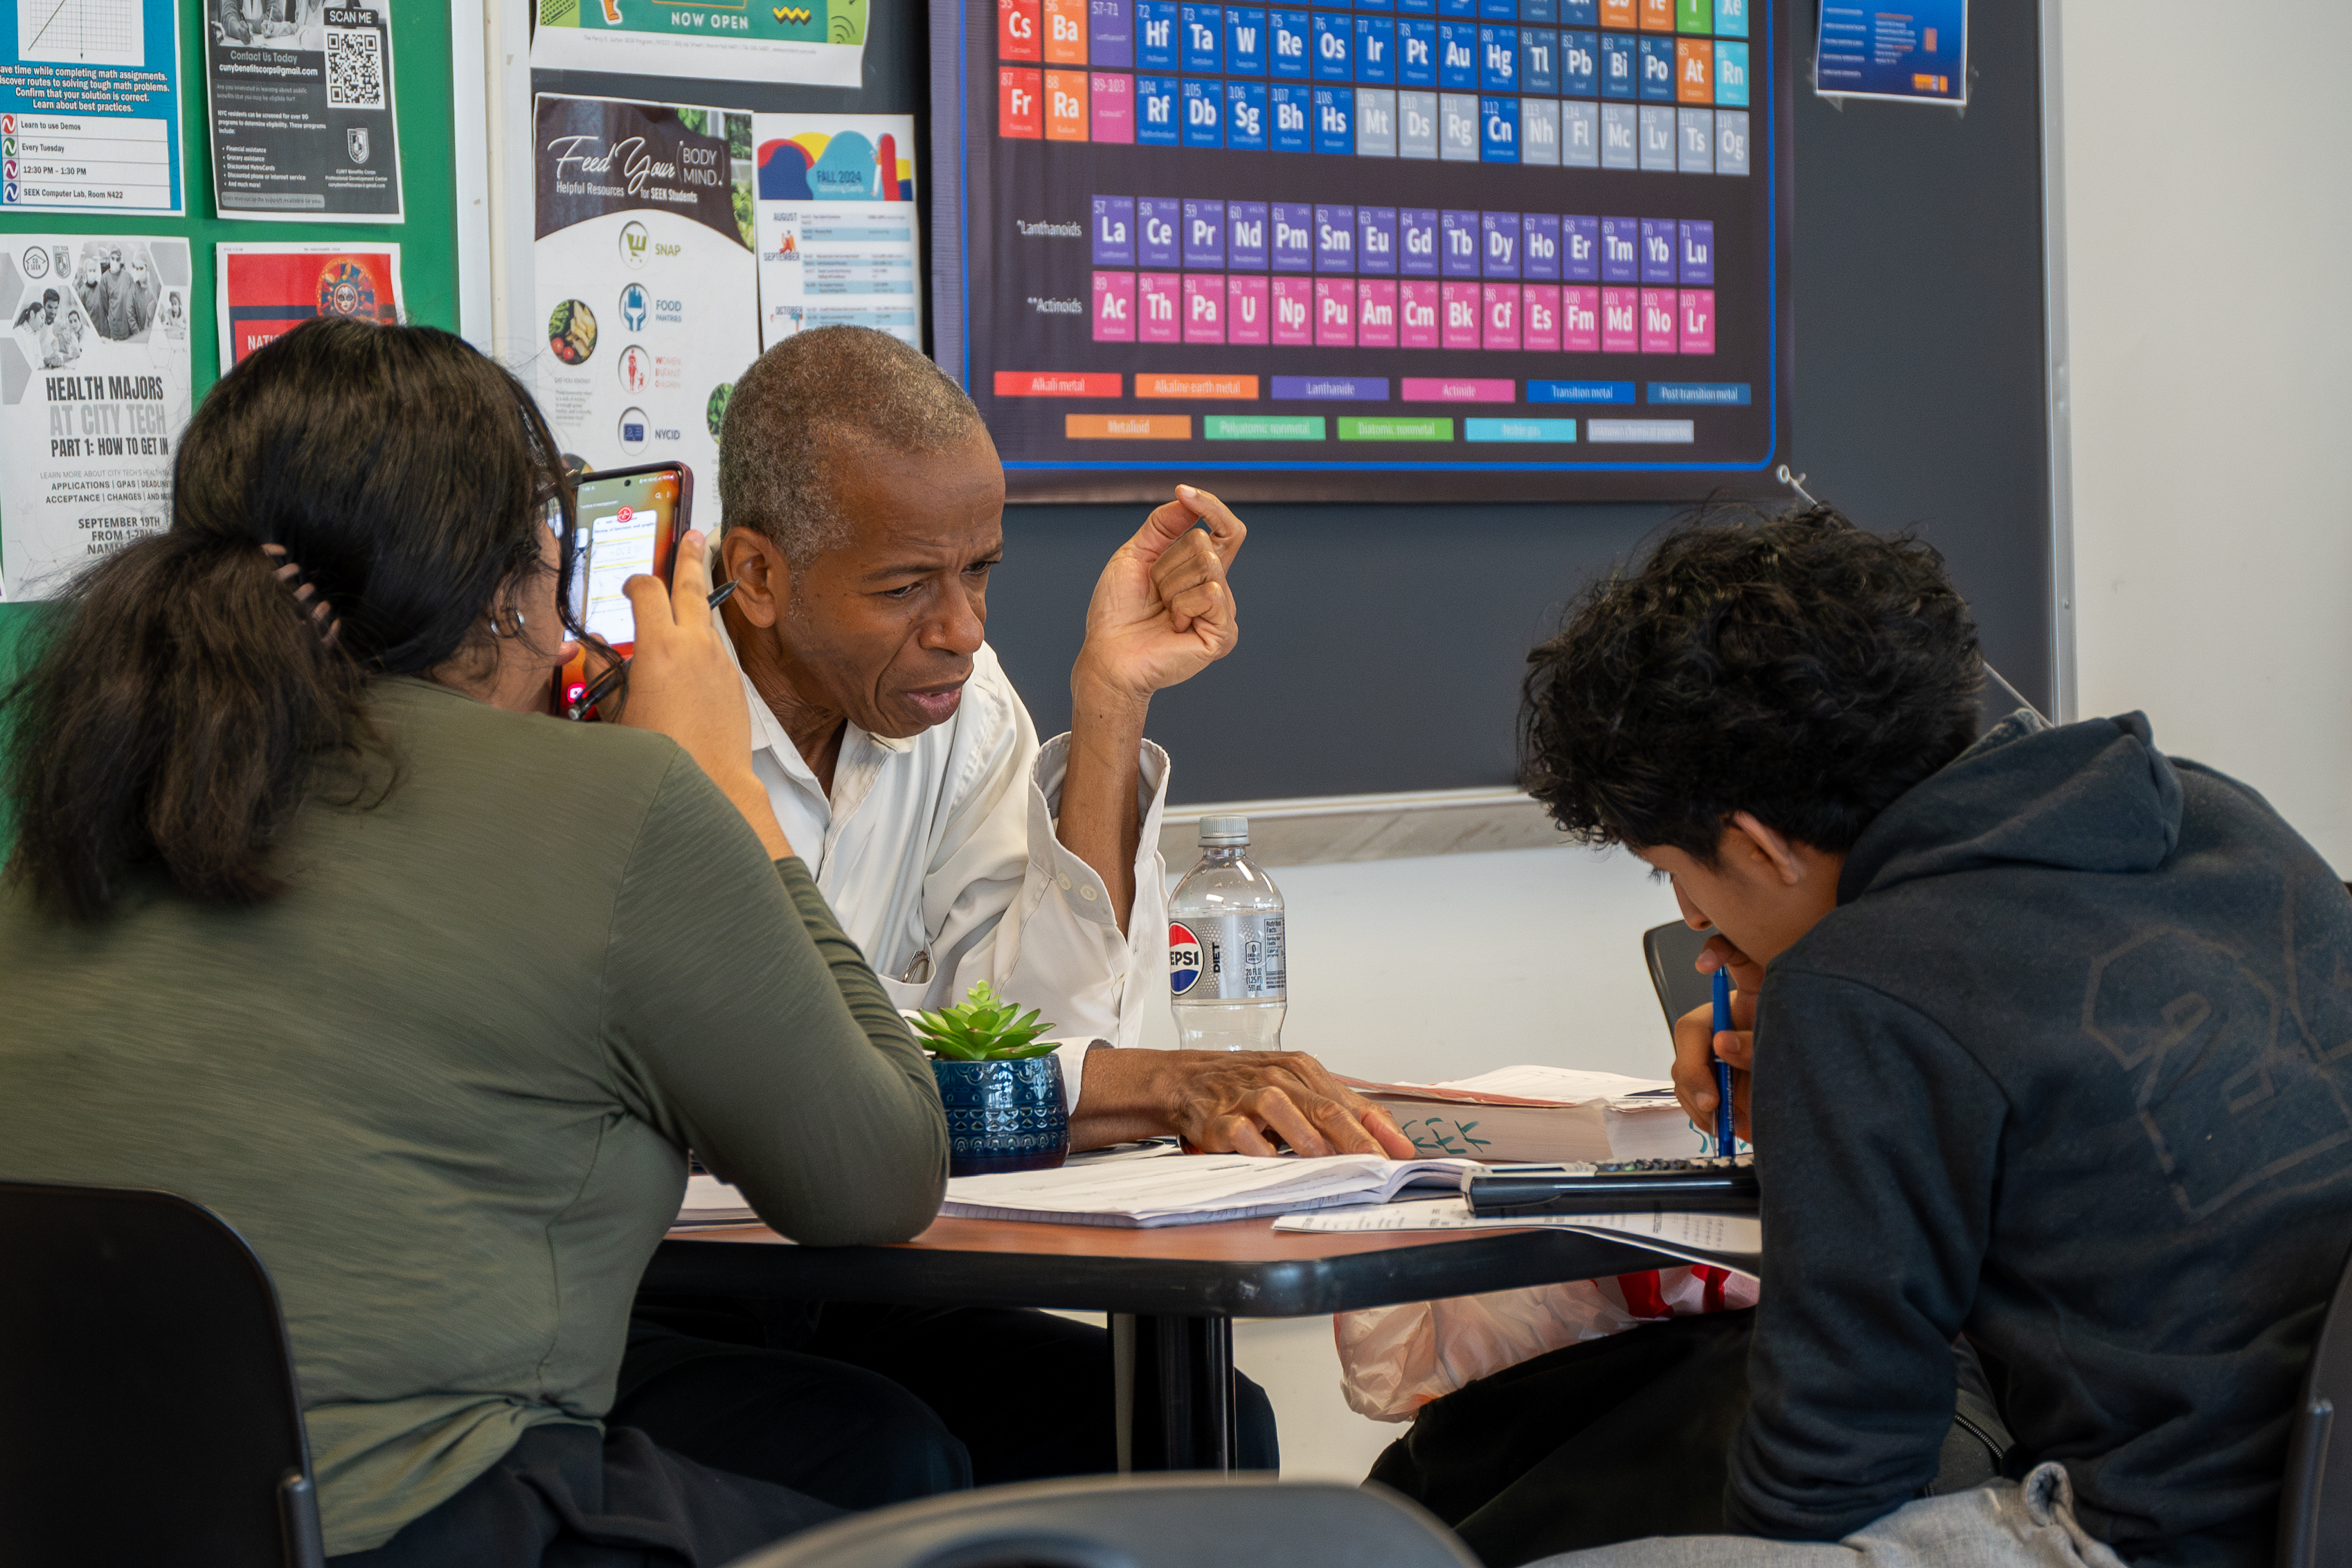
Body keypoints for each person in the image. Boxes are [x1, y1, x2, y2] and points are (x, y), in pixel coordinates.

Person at [0, 317, 949, 1567]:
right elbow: (880, 1173)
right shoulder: (621, 804)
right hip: (422, 1520)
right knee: (952, 1508)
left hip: (83, 1519)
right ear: (506, 590)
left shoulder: (74, 824)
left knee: (857, 1438)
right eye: (550, 573)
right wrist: (723, 779)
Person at [609, 324, 1417, 1486]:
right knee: (887, 1455)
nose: (963, 627)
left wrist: (1108, 703)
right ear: (763, 573)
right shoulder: (632, 696)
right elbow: (779, 1070)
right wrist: (1159, 1082)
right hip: (653, 1287)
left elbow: (1032, 1033)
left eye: (979, 570)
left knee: (1199, 1427)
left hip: (858, 1277)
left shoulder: (951, 698)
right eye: (904, 587)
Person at [1491, 504, 2352, 1568]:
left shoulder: (1858, 988)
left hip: (2145, 1539)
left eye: (1676, 872)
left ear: (1755, 843)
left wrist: (1832, 1047)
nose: (1695, 917)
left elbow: (1832, 1468)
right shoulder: (2219, 819)